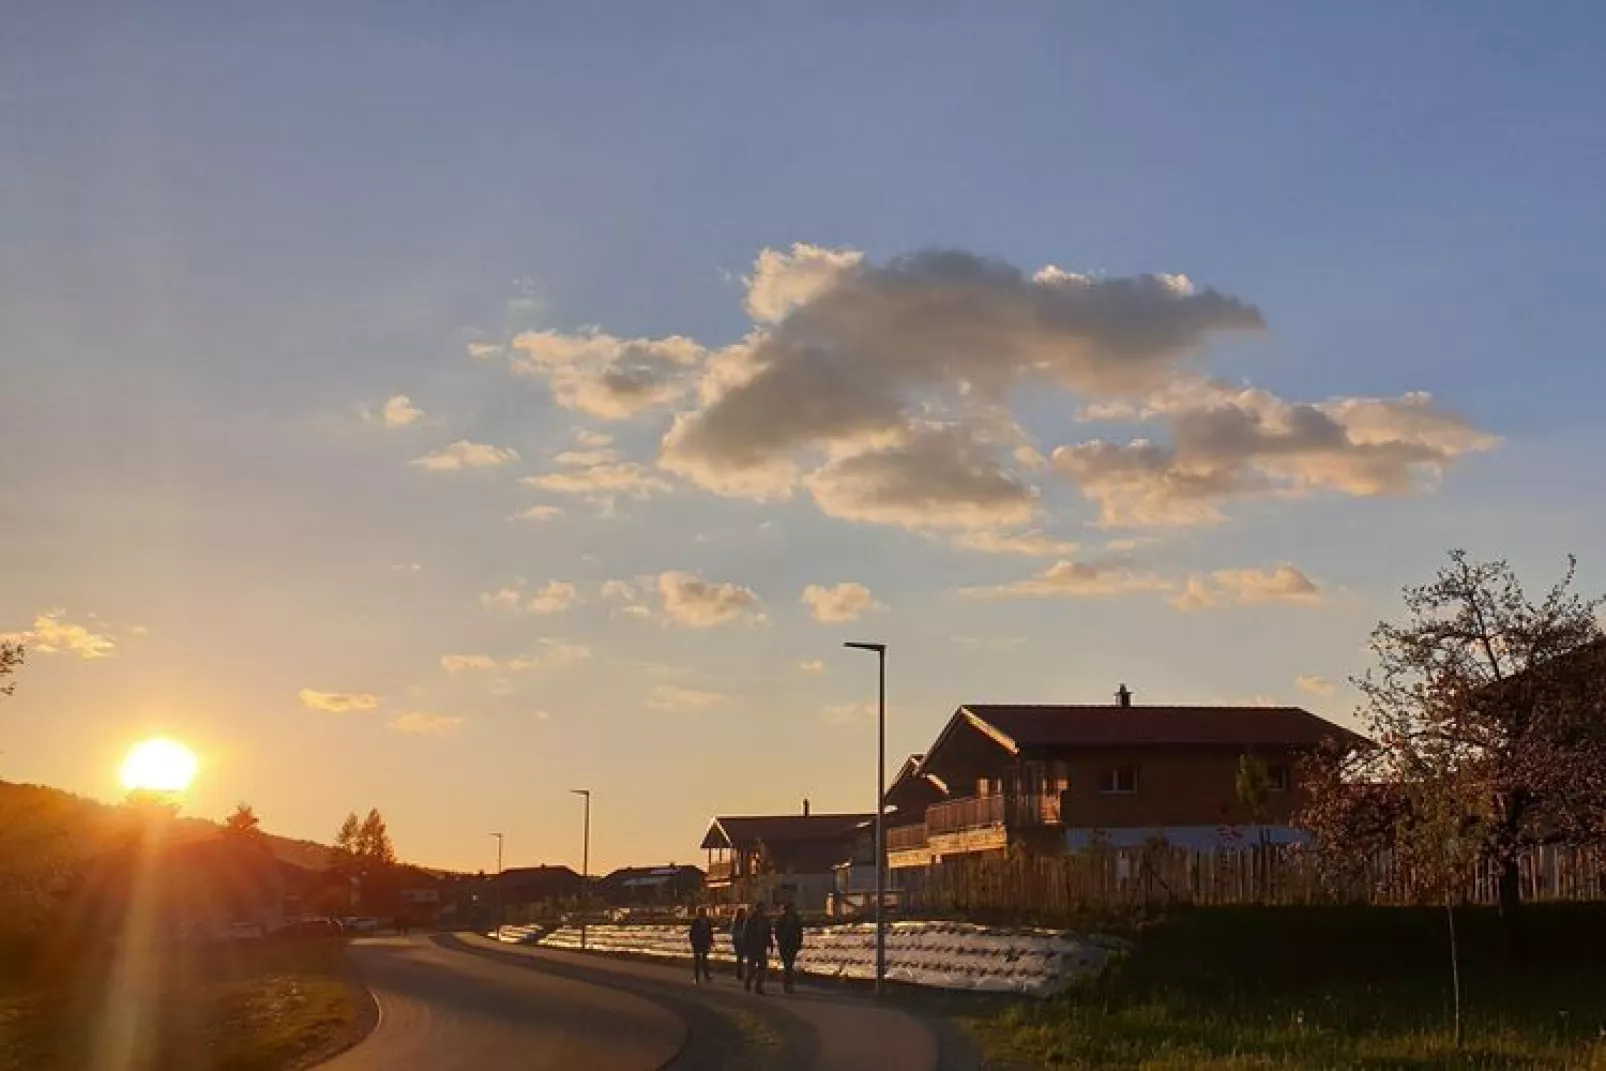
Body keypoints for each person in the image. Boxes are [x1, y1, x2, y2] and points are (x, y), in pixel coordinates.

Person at [743, 903, 775, 995]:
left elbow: (768, 933)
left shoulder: (765, 920)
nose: (762, 910)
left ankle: (758, 986)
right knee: (751, 968)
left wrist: (770, 944)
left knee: (762, 967)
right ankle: (748, 981)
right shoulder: (750, 920)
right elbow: (745, 934)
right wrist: (746, 947)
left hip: (761, 947)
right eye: (761, 908)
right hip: (752, 947)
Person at [774, 903, 804, 993]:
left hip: (790, 944)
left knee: (789, 965)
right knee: (788, 965)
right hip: (785, 944)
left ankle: (788, 984)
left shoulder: (793, 919)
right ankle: (788, 984)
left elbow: (799, 931)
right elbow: (777, 932)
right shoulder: (784, 919)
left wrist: (798, 942)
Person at [688, 907, 714, 984]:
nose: (703, 914)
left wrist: (711, 941)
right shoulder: (696, 922)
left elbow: (710, 932)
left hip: (705, 943)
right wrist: (693, 943)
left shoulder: (707, 921)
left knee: (705, 960)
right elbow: (692, 934)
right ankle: (697, 978)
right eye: (702, 912)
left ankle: (706, 976)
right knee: (697, 961)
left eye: (704, 912)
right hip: (697, 944)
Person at [729, 906, 748, 982]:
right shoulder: (743, 921)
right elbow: (733, 931)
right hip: (740, 940)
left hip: (739, 940)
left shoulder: (737, 921)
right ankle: (740, 973)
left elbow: (732, 931)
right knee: (741, 957)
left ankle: (740, 973)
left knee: (740, 957)